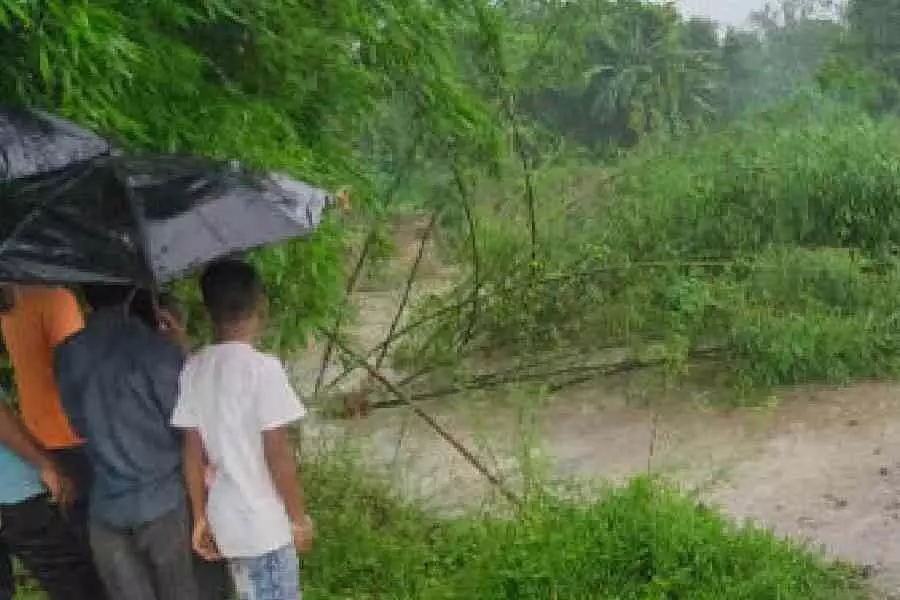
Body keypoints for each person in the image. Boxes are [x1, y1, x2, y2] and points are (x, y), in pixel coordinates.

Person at [172, 260, 314, 600]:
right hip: (264, 526)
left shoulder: (194, 368)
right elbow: (277, 453)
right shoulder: (263, 369)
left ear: (207, 312)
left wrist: (199, 516)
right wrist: (298, 518)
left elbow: (192, 453)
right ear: (260, 304)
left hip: (226, 520)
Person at [54, 286, 202, 600]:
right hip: (161, 502)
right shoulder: (157, 349)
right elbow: (187, 424)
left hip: (105, 508)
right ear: (134, 292)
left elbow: (78, 426)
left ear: (84, 297)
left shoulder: (67, 354)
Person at [0, 284, 104, 599]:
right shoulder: (54, 299)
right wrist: (44, 464)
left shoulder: (17, 307)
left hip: (26, 467)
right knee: (78, 581)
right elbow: (75, 371)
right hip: (19, 488)